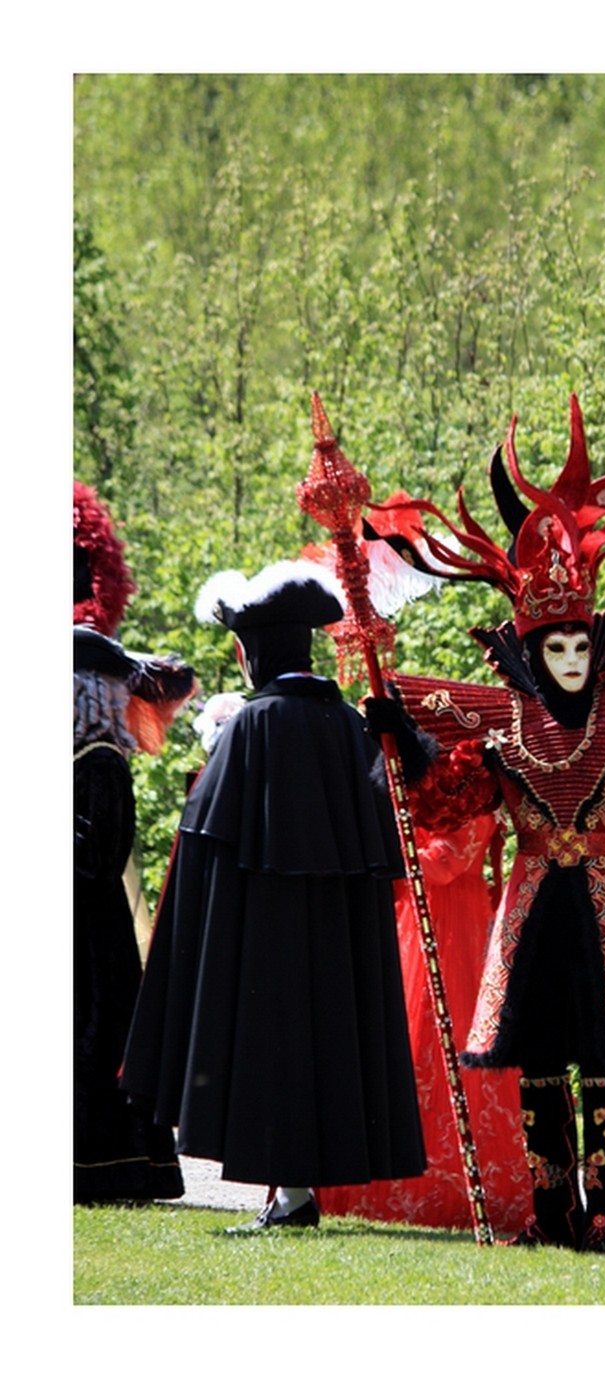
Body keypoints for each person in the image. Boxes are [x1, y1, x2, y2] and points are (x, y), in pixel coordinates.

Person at [366, 394, 605, 1253]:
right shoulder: (502, 730)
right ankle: (548, 1213)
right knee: (540, 1064)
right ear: (530, 652)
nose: (573, 663)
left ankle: (604, 1212)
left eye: (583, 649)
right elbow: (446, 799)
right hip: (535, 902)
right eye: (557, 651)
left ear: (599, 647)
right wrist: (403, 739)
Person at [120, 559, 426, 1229]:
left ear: (251, 652)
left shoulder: (251, 726)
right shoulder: (348, 723)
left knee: (275, 1047)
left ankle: (292, 1196)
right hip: (336, 930)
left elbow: (204, 832)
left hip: (262, 928)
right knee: (327, 1043)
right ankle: (297, 1192)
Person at [315, 811, 531, 1233]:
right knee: (402, 1042)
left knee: (439, 1040)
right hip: (408, 918)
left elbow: (447, 862)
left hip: (452, 927)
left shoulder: (473, 781)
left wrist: (372, 846)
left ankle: (449, 1187)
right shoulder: (412, 771)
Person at [73, 480, 196, 1204]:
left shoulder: (101, 762)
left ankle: (107, 1172)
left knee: (94, 1040)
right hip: (81, 932)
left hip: (91, 934)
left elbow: (96, 856)